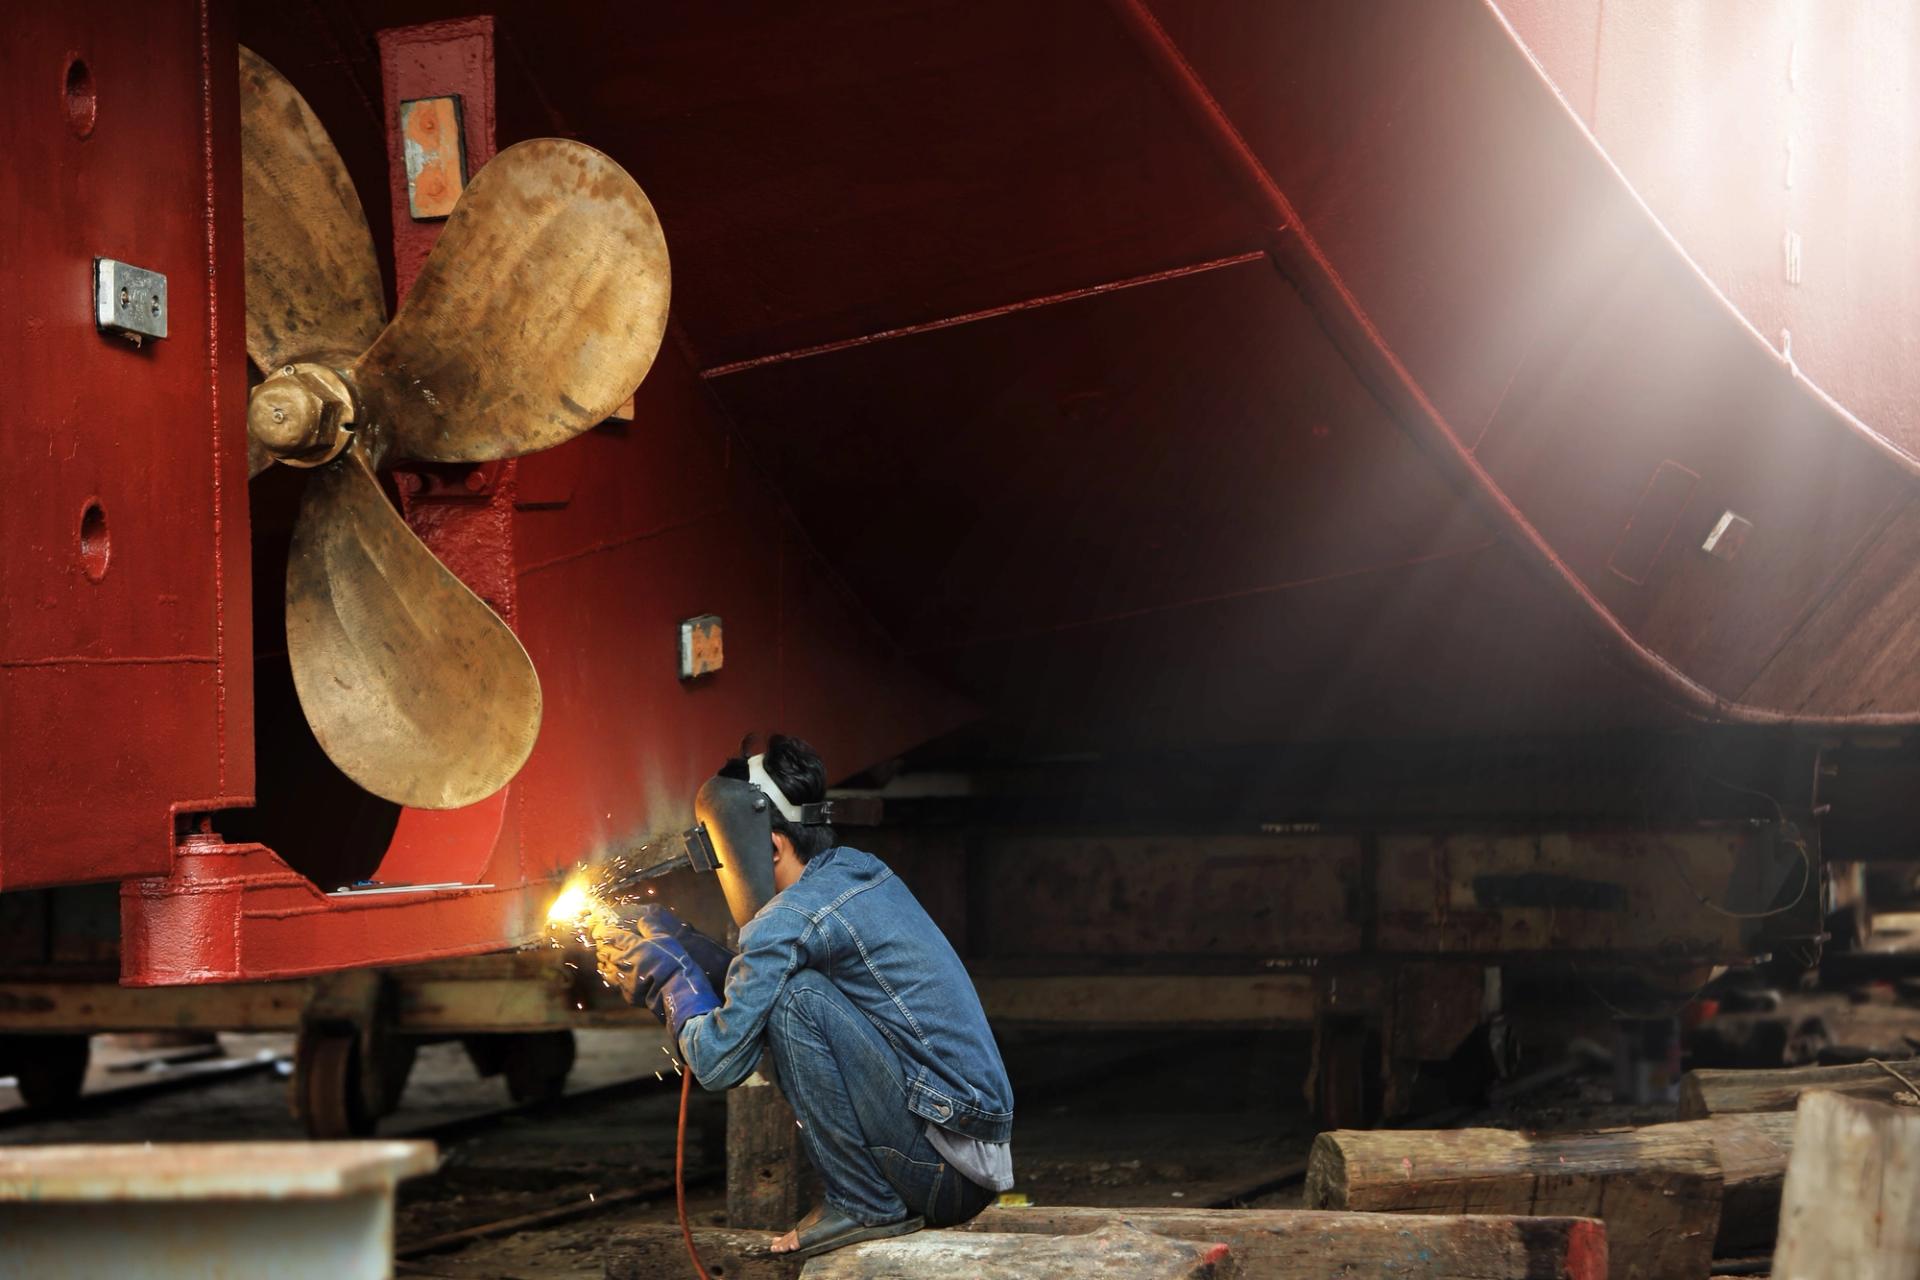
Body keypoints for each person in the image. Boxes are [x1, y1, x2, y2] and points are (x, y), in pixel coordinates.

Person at [592, 735, 1015, 1260]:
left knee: (796, 1001)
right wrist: (689, 947)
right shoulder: (855, 872)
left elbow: (718, 1061)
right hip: (967, 1159)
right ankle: (871, 1198)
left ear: (771, 847)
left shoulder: (788, 919)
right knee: (793, 994)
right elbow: (756, 996)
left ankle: (864, 1203)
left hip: (943, 1174)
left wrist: (669, 981)